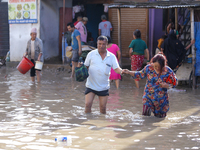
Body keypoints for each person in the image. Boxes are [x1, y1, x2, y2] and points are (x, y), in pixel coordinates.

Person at [123, 53, 178, 118]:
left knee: (160, 119)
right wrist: (129, 72)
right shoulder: (149, 68)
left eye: (158, 67)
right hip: (148, 96)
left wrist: (167, 85)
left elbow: (175, 83)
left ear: (163, 65)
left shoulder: (168, 71)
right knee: (145, 117)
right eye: (155, 66)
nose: (156, 68)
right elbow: (139, 75)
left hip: (161, 100)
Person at [84, 36, 123, 114]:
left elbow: (116, 68)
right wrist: (80, 68)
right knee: (87, 105)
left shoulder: (111, 56)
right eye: (99, 44)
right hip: (91, 85)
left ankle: (102, 123)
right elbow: (85, 67)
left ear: (107, 44)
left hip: (103, 86)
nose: (101, 46)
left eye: (103, 44)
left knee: (103, 108)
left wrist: (123, 71)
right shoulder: (91, 54)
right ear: (97, 44)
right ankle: (87, 122)